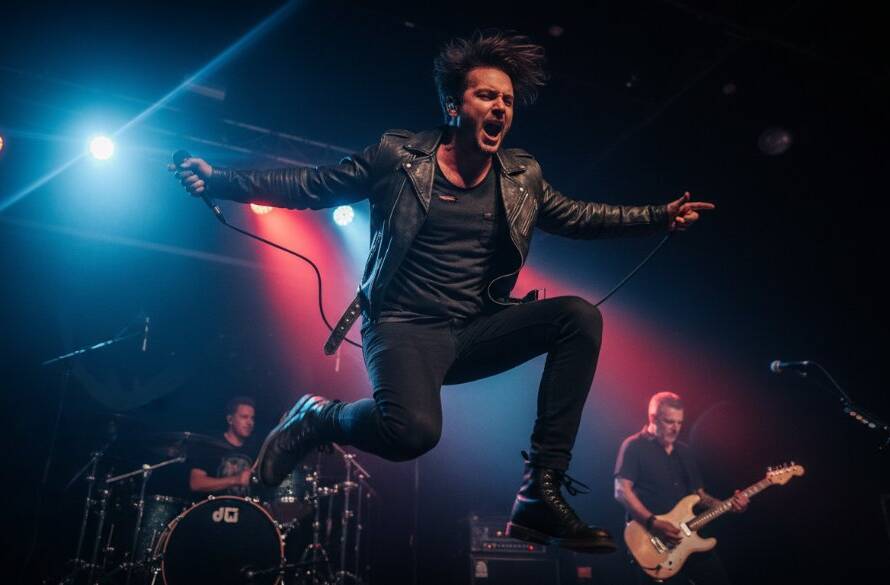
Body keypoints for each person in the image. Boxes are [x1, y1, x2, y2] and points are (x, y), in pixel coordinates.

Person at [172, 31, 714, 553]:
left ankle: (539, 491)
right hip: (403, 325)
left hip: (474, 329)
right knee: (411, 435)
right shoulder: (398, 156)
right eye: (486, 95)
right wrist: (221, 179)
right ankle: (319, 417)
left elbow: (578, 216)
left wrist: (657, 216)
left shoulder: (521, 174)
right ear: (455, 105)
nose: (500, 107)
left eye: (507, 99)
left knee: (578, 317)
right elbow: (314, 184)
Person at [614, 392, 748, 583]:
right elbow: (621, 491)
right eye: (669, 422)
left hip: (689, 537)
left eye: (679, 423)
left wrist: (729, 505)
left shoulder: (684, 451)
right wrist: (653, 522)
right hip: (652, 540)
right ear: (653, 418)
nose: (675, 429)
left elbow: (699, 496)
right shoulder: (634, 446)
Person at [188, 396, 257, 497]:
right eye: (244, 417)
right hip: (213, 509)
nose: (250, 422)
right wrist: (235, 480)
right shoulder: (210, 445)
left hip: (244, 509)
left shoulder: (253, 449)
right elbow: (195, 483)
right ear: (230, 419)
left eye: (252, 418)